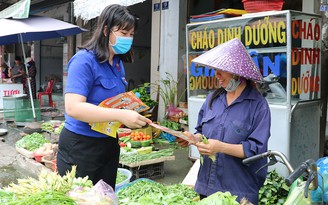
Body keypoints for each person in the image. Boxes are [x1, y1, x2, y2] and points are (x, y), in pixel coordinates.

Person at [57, 4, 151, 190]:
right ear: (106, 30)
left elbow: (110, 104)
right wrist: (120, 115)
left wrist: (130, 110)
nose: (128, 39)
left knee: (105, 197)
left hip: (108, 142)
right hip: (81, 146)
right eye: (123, 32)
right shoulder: (84, 61)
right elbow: (73, 108)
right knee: (80, 199)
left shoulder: (117, 64)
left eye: (131, 34)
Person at [177, 38, 271, 204]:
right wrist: (193, 138)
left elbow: (255, 150)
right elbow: (201, 132)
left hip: (238, 191)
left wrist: (219, 147)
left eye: (221, 70)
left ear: (237, 72)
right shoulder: (213, 99)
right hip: (207, 186)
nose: (216, 75)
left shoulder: (258, 105)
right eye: (215, 70)